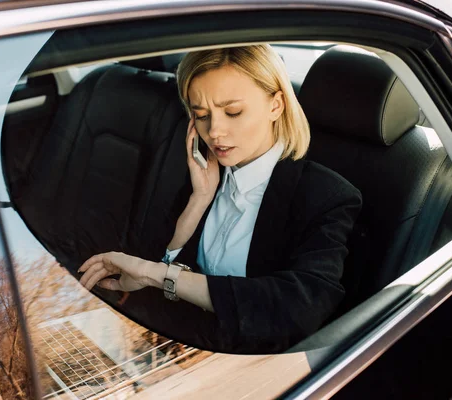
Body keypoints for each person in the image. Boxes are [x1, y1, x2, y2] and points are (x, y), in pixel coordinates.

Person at [79, 44, 362, 352]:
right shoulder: (202, 172)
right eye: (200, 115)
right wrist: (198, 201)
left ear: (276, 106)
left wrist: (159, 275)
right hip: (171, 345)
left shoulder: (326, 196)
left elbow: (298, 309)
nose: (214, 131)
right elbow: (151, 262)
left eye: (233, 112)